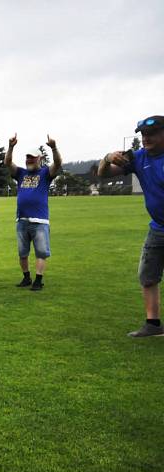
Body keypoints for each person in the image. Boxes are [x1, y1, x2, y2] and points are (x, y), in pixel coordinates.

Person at [98, 115, 164, 337]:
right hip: (158, 228)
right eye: (143, 134)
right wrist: (108, 158)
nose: (146, 138)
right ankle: (153, 325)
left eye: (152, 134)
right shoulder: (138, 158)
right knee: (147, 275)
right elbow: (103, 174)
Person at [5, 134, 62, 291]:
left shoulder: (45, 174)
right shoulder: (21, 173)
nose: (29, 160)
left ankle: (38, 280)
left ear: (39, 159)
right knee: (22, 253)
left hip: (40, 221)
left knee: (41, 252)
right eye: (27, 158)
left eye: (32, 158)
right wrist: (11, 147)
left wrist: (54, 147)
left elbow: (57, 163)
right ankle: (26, 277)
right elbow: (7, 162)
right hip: (22, 220)